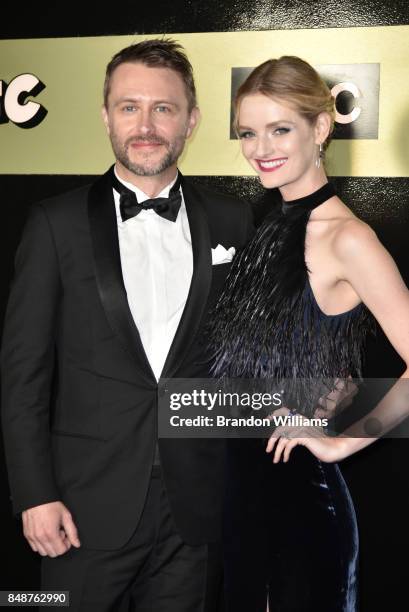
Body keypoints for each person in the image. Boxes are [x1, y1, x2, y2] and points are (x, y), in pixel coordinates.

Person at [1, 38, 253, 611]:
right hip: (82, 507)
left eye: (163, 108)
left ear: (191, 120)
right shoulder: (54, 223)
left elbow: (240, 360)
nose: (146, 125)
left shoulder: (234, 219)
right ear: (106, 116)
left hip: (197, 506)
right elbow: (23, 375)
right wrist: (34, 495)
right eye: (128, 106)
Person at [208, 56, 409, 611]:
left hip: (301, 506)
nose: (258, 148)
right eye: (248, 132)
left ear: (320, 129)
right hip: (245, 501)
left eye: (280, 129)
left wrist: (343, 440)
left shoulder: (348, 237)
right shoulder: (266, 223)